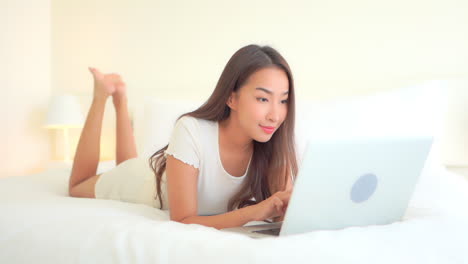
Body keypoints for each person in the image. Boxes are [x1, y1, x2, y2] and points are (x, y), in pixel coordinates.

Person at [68, 44, 298, 230]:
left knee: (127, 162)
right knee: (79, 186)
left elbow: (284, 212)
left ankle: (120, 100)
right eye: (263, 99)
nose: (275, 115)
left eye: (284, 100)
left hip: (164, 171)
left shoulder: (275, 142)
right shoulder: (192, 130)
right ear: (231, 98)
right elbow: (182, 220)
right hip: (145, 182)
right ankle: (102, 95)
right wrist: (255, 211)